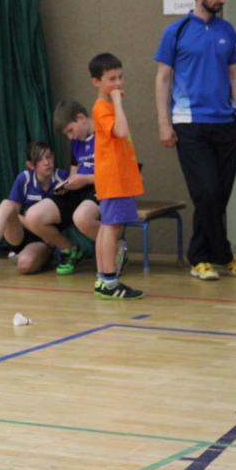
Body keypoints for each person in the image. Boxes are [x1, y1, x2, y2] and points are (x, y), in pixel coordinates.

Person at [154, 0, 236, 281]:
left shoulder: (227, 30)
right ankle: (218, 254)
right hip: (190, 124)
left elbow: (234, 74)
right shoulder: (176, 31)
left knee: (218, 196)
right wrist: (164, 123)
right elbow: (163, 78)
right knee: (207, 192)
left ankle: (204, 257)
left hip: (228, 125)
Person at [25, 100, 125, 275]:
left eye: (70, 130)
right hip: (80, 188)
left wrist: (86, 179)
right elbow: (74, 172)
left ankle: (116, 247)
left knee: (82, 217)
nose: (70, 137)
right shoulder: (77, 141)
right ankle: (71, 249)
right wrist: (67, 184)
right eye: (67, 134)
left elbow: (115, 175)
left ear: (81, 118)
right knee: (33, 216)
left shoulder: (105, 135)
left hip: (101, 187)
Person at [0, 140, 68, 283]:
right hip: (20, 234)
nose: (47, 162)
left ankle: (32, 257)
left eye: (49, 157)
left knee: (25, 266)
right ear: (31, 165)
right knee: (6, 205)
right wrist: (33, 224)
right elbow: (14, 214)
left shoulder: (62, 178)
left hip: (45, 240)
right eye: (40, 159)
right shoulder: (24, 179)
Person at [89, 53, 144, 299]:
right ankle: (110, 281)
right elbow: (121, 131)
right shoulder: (103, 108)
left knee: (108, 227)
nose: (118, 83)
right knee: (112, 229)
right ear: (96, 82)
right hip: (113, 179)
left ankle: (103, 279)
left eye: (120, 77)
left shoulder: (107, 107)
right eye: (111, 79)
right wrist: (118, 102)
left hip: (118, 177)